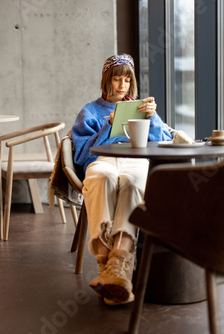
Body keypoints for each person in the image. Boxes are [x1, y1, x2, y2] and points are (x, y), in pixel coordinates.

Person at [71, 54, 173, 305]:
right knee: (102, 178)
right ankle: (111, 266)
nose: (122, 86)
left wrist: (151, 117)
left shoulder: (138, 106)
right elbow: (82, 155)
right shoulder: (90, 110)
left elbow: (163, 142)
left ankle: (118, 257)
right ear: (107, 80)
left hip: (135, 161)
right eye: (116, 79)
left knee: (133, 181)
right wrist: (110, 126)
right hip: (101, 162)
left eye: (127, 80)